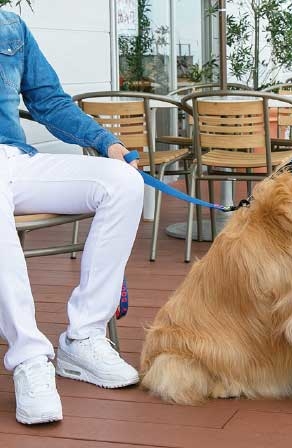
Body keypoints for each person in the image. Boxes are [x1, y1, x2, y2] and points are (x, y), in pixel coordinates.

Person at [0, 10, 144, 424]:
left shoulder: (10, 27)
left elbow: (48, 101)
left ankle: (83, 338)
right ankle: (29, 357)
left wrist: (107, 143)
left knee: (122, 183)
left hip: (15, 160)